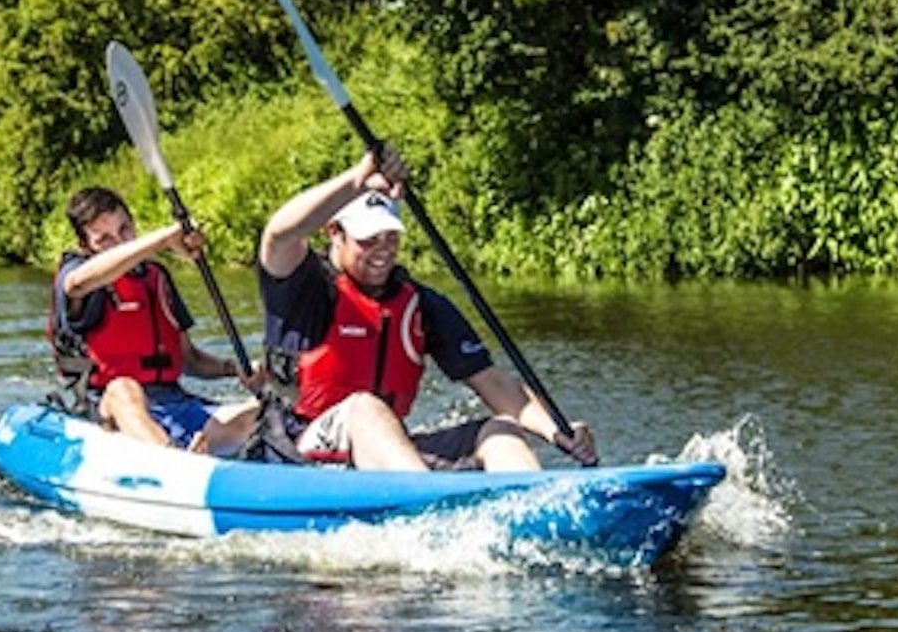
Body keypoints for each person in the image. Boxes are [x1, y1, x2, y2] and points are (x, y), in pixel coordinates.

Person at [257, 146, 597, 471]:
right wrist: (357, 180)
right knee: (365, 408)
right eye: (368, 240)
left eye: (390, 237)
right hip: (300, 448)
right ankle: (427, 506)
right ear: (335, 233)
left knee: (500, 430)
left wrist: (556, 430)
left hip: (387, 454)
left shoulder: (420, 304)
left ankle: (535, 501)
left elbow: (492, 382)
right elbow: (278, 235)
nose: (382, 251)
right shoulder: (301, 286)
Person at [50, 186, 261, 453]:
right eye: (104, 238)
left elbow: (189, 359)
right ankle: (173, 457)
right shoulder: (78, 276)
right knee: (124, 389)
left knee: (260, 413)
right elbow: (77, 284)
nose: (120, 242)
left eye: (125, 229)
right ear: (85, 246)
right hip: (106, 406)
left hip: (172, 402)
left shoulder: (156, 277)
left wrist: (236, 368)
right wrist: (165, 238)